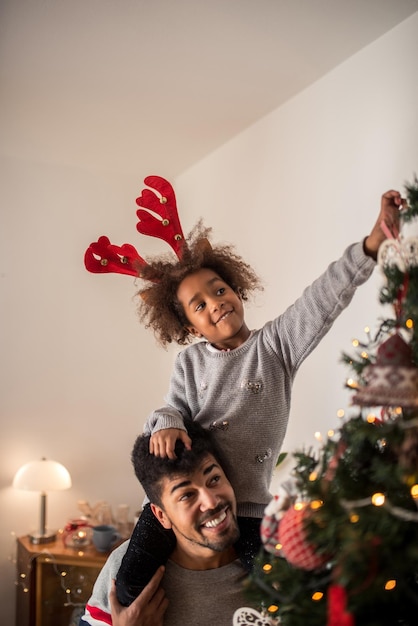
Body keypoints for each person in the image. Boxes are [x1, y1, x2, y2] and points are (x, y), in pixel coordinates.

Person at [115, 188, 405, 606]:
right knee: (129, 586)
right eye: (199, 305)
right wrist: (166, 423)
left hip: (247, 508)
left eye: (218, 290)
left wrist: (370, 245)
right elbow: (171, 406)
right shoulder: (190, 361)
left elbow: (321, 298)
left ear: (236, 289)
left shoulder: (276, 346)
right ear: (190, 325)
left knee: (282, 591)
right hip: (182, 499)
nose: (215, 304)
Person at [80, 421, 270, 626]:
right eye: (187, 495)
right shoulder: (124, 568)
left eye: (214, 479)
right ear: (161, 515)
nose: (211, 501)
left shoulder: (277, 566)